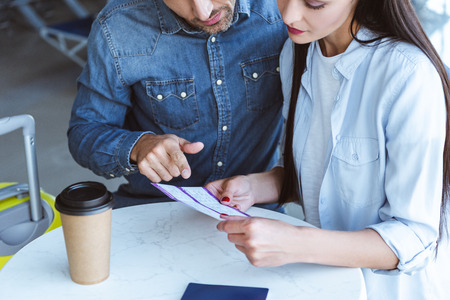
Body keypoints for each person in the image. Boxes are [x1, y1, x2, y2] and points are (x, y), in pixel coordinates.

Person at [206, 0, 450, 299]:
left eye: (314, 3)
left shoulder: (408, 74)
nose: (289, 14)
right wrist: (253, 188)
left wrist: (297, 243)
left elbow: (416, 238)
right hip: (322, 284)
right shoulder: (297, 51)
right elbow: (315, 176)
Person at [68, 0, 288, 208]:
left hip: (256, 206)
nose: (203, 12)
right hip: (154, 206)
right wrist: (137, 146)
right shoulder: (118, 25)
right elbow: (84, 132)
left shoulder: (286, 10)